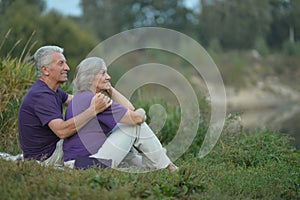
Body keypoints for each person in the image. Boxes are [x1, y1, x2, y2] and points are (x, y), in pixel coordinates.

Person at [63, 57, 179, 171]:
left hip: (77, 162)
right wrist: (142, 111)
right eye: (103, 73)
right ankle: (168, 166)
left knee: (140, 161)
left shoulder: (80, 97)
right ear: (90, 78)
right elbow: (136, 118)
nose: (108, 77)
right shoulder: (95, 100)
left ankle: (161, 163)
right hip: (87, 163)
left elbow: (129, 109)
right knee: (133, 126)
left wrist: (110, 89)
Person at [18, 46, 111, 167]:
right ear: (45, 70)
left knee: (96, 124)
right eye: (61, 63)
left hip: (53, 148)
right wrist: (93, 110)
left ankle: (108, 159)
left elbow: (78, 100)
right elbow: (62, 131)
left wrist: (99, 88)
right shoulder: (41, 96)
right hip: (46, 157)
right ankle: (100, 163)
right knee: (93, 125)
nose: (67, 68)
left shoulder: (53, 91)